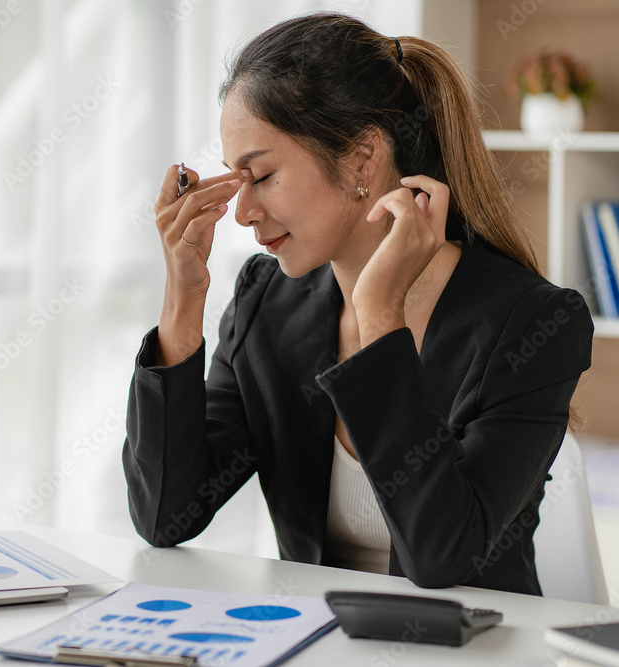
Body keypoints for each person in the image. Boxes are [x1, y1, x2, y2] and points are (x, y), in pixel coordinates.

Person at [122, 12, 593, 595]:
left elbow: (442, 558)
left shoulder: (533, 322)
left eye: (260, 176)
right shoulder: (266, 302)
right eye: (234, 180)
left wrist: (379, 317)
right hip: (312, 633)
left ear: (363, 158)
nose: (242, 212)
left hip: (469, 639)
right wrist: (182, 302)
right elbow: (166, 516)